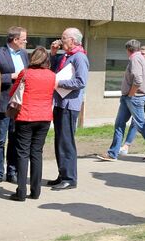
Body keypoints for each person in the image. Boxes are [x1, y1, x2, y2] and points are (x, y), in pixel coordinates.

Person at [7, 47, 55, 202]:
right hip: (45, 118)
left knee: (22, 154)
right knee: (37, 153)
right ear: (46, 60)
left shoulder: (25, 73)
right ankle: (36, 191)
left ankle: (21, 192)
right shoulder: (52, 75)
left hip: (26, 117)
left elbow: (12, 92)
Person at [100, 39, 145, 162]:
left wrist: (131, 94)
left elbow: (138, 80)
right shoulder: (139, 58)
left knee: (140, 125)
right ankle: (112, 153)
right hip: (130, 97)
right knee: (119, 124)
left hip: (134, 98)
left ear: (128, 50)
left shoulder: (135, 59)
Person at [0, 27, 29, 187]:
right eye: (23, 39)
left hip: (19, 104)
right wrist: (11, 76)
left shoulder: (24, 54)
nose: (26, 41)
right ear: (15, 39)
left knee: (15, 139)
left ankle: (12, 171)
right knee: (0, 140)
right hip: (3, 104)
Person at [48, 28, 89, 191]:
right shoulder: (66, 56)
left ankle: (70, 178)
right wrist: (53, 54)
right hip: (60, 103)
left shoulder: (79, 57)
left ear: (73, 40)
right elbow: (52, 72)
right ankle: (62, 174)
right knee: (59, 141)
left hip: (69, 105)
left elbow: (81, 81)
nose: (61, 40)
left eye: (63, 38)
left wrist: (59, 84)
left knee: (66, 142)